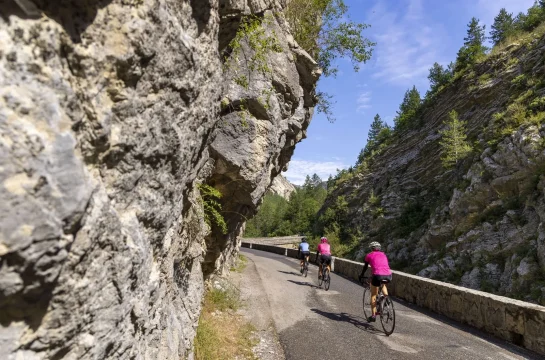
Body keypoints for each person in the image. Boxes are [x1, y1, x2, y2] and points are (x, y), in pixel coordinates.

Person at [359, 241, 392, 323]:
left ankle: (373, 315)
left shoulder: (369, 255)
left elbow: (365, 267)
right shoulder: (384, 254)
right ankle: (386, 298)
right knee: (383, 284)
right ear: (379, 248)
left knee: (373, 295)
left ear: (371, 248)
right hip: (388, 275)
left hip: (377, 275)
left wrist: (361, 275)